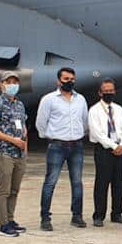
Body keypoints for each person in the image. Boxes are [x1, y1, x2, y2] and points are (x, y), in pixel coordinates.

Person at [36, 67, 88, 231]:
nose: (69, 82)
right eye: (66, 79)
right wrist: (50, 137)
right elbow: (41, 122)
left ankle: (77, 215)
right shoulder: (49, 99)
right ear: (58, 81)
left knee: (77, 182)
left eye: (72, 79)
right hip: (57, 146)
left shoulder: (81, 99)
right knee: (50, 182)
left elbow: (85, 121)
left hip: (77, 146)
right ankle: (45, 217)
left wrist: (80, 134)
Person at [0, 71, 29, 237]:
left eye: (15, 82)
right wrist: (12, 140)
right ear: (1, 84)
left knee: (15, 189)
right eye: (8, 82)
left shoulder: (19, 105)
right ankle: (3, 224)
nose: (12, 85)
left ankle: (11, 219)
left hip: (19, 152)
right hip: (3, 151)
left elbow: (23, 127)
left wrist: (24, 148)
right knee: (4, 190)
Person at [89, 78, 122, 227]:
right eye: (105, 91)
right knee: (102, 183)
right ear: (100, 93)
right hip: (104, 150)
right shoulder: (94, 110)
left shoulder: (119, 109)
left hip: (120, 149)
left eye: (111, 91)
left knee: (119, 183)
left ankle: (117, 213)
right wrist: (113, 146)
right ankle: (99, 215)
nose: (108, 93)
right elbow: (97, 133)